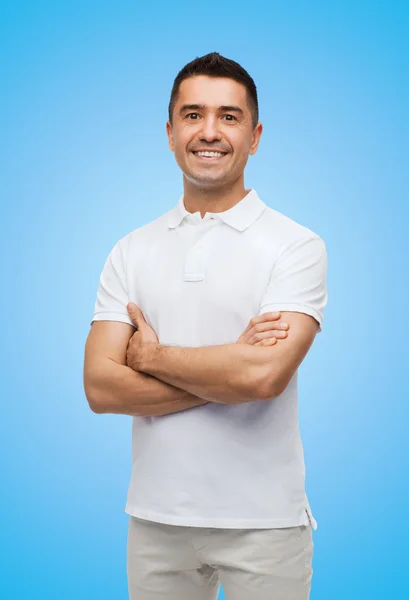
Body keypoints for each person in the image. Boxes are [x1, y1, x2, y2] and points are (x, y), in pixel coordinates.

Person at [83, 52, 328, 600]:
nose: (209, 132)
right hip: (155, 521)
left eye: (229, 116)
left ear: (255, 134)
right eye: (193, 115)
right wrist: (226, 369)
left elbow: (263, 378)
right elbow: (99, 388)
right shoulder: (131, 250)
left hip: (264, 524)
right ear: (169, 133)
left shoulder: (296, 246)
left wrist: (151, 357)